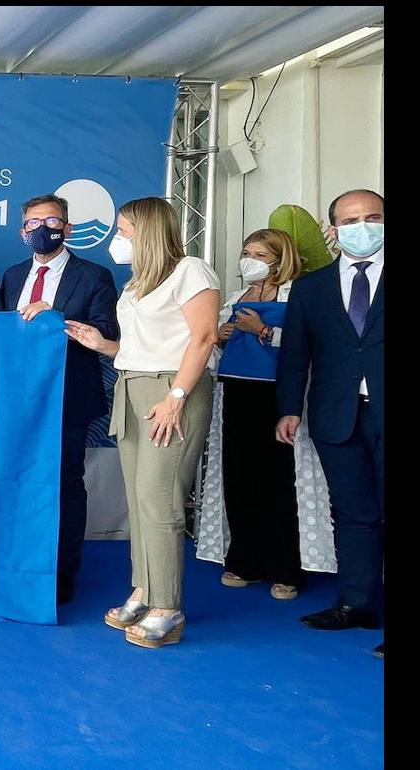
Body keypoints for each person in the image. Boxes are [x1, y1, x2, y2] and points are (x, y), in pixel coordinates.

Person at [66, 197, 219, 649]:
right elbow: (141, 345)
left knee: (161, 500)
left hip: (172, 390)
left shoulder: (191, 270)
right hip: (131, 386)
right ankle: (144, 591)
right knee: (139, 498)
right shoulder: (135, 284)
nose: (119, 237)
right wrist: (102, 345)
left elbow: (204, 336)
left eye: (125, 228)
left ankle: (168, 606)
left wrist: (176, 398)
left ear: (147, 229)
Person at [195, 229, 335, 602]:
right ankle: (244, 559)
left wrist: (263, 330)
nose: (250, 259)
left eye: (259, 253)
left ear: (279, 258)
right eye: (247, 252)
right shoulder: (237, 296)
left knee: (278, 481)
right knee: (238, 477)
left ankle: (286, 567)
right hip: (236, 392)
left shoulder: (301, 295)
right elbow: (213, 348)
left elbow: (312, 347)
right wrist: (223, 336)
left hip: (281, 395)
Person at [276, 190, 384, 658]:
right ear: (333, 229)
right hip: (336, 415)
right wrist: (288, 408)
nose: (364, 226)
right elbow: (295, 354)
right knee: (355, 514)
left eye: (374, 217)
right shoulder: (312, 286)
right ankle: (356, 603)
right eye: (352, 219)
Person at [0, 194, 119, 605]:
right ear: (22, 232)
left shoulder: (94, 275)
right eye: (32, 223)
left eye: (51, 221)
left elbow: (106, 329)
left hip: (68, 396)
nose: (41, 229)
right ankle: (18, 561)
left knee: (65, 484)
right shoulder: (12, 276)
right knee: (16, 480)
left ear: (67, 228)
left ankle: (62, 573)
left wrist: (56, 316)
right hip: (19, 401)